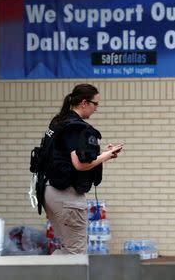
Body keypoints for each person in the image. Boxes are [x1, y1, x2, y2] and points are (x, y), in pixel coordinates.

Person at [42, 83, 123, 254]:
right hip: (66, 195)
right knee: (76, 253)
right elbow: (80, 164)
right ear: (84, 103)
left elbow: (68, 156)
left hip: (49, 190)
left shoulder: (59, 121)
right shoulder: (76, 127)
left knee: (66, 249)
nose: (96, 109)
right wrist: (108, 155)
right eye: (96, 104)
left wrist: (102, 154)